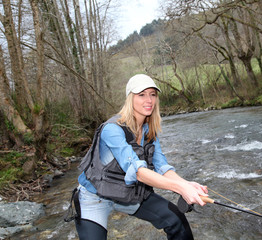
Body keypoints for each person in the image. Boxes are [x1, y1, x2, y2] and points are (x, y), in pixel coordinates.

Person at [74, 74, 208, 240]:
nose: (149, 100)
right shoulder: (111, 129)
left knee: (176, 220)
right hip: (95, 198)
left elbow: (162, 167)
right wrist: (180, 189)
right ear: (130, 98)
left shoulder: (149, 131)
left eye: (152, 94)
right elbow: (138, 172)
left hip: (127, 194)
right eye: (142, 94)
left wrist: (186, 184)